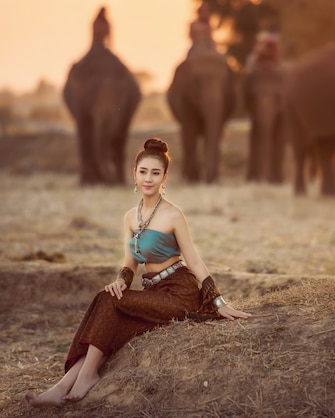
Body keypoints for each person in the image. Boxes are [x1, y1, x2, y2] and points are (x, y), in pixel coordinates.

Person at [25, 138, 252, 408]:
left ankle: (87, 376)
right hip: (153, 292)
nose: (148, 178)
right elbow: (129, 263)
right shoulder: (130, 217)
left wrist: (219, 301)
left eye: (155, 173)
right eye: (143, 171)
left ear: (164, 177)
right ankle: (61, 387)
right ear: (135, 173)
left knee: (107, 300)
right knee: (109, 306)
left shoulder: (173, 214)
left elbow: (194, 261)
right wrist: (121, 281)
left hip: (179, 293)